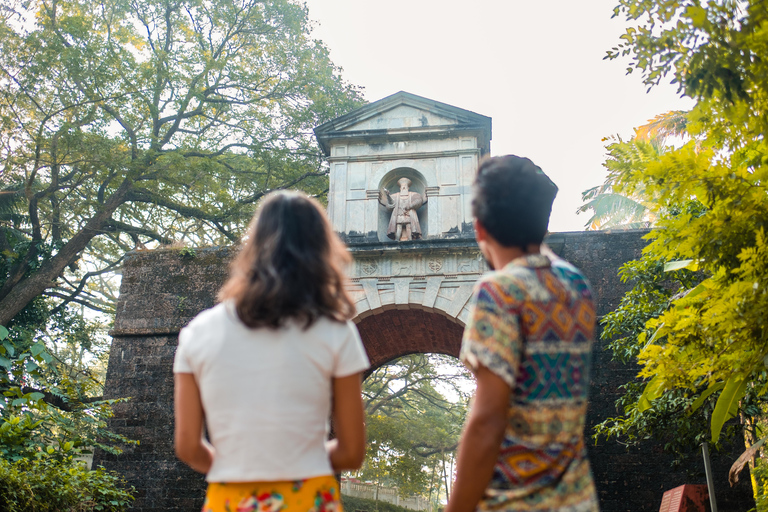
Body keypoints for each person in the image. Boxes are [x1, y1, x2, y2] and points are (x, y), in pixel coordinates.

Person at [173, 190, 369, 512]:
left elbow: (188, 447)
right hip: (309, 498)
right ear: (321, 249)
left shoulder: (198, 333)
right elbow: (351, 452)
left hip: (230, 499)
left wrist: (235, 467)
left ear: (254, 246)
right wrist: (302, 460)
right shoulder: (336, 331)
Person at [445, 156, 599, 512]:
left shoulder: (500, 291)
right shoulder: (578, 287)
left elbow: (487, 420)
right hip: (577, 501)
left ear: (479, 229)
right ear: (543, 224)